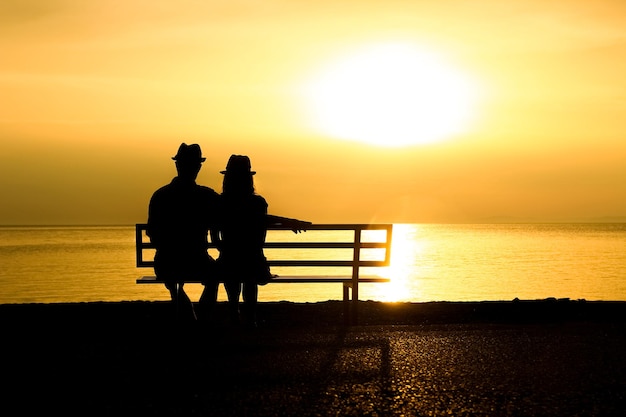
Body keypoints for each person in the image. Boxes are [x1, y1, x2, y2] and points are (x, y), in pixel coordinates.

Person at [211, 155, 310, 327]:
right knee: (249, 271)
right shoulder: (257, 202)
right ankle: (251, 317)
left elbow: (214, 235)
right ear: (249, 178)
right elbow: (261, 232)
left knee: (231, 269)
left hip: (229, 259)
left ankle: (234, 310)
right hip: (253, 259)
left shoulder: (221, 202)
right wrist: (289, 222)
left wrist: (224, 248)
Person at [146, 143, 219, 321]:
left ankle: (188, 312)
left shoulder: (160, 195)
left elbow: (152, 233)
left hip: (167, 261)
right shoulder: (206, 196)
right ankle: (201, 316)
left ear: (178, 165)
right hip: (197, 261)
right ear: (198, 167)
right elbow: (230, 213)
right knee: (215, 274)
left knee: (172, 277)